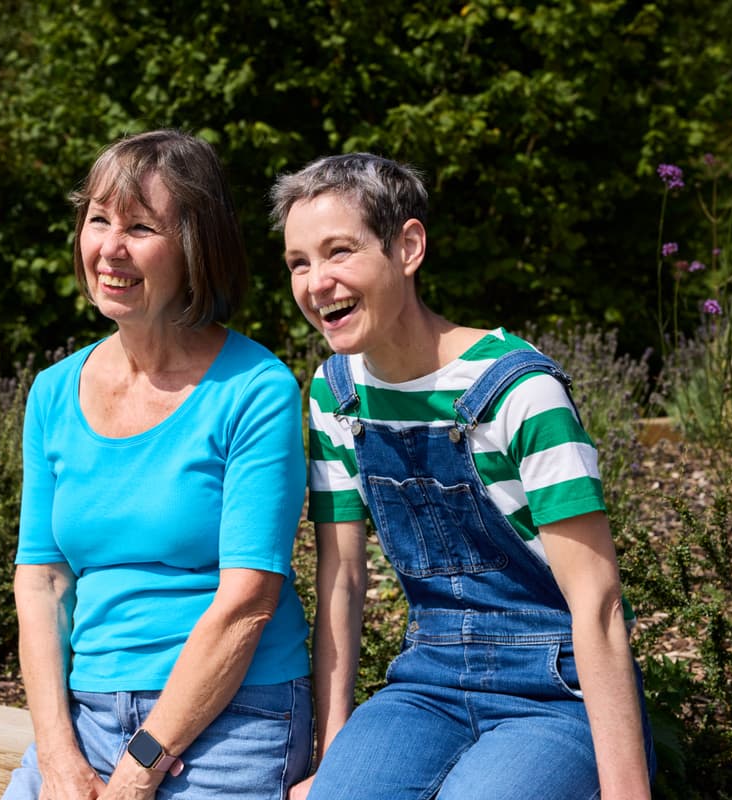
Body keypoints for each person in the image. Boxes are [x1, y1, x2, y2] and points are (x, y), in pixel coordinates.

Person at [270, 153, 655, 800]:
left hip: (556, 690)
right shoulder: (335, 396)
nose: (317, 282)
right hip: (429, 680)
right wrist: (332, 759)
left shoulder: (518, 391)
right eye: (299, 263)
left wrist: (626, 791)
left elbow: (599, 603)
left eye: (339, 252)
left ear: (408, 248)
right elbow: (342, 580)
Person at [3, 130, 312, 800]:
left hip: (234, 716)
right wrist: (57, 755)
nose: (110, 248)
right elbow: (43, 583)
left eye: (140, 227)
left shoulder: (255, 390)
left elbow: (247, 603)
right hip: (85, 716)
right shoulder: (54, 392)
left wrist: (138, 769)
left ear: (195, 248)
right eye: (98, 220)